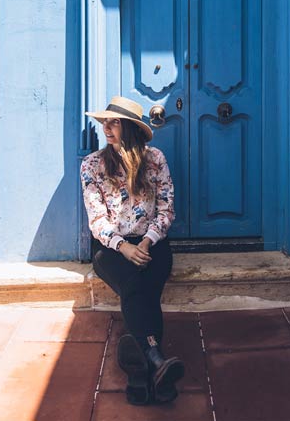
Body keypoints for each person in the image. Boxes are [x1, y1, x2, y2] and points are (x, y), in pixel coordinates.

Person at [82, 96, 184, 406]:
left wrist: (147, 241)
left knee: (141, 290)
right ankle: (156, 360)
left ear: (129, 128)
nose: (106, 128)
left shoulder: (155, 160)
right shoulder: (93, 165)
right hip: (111, 250)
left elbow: (166, 210)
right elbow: (97, 221)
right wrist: (124, 247)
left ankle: (140, 373)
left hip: (152, 245)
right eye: (104, 122)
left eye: (113, 122)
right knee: (138, 287)